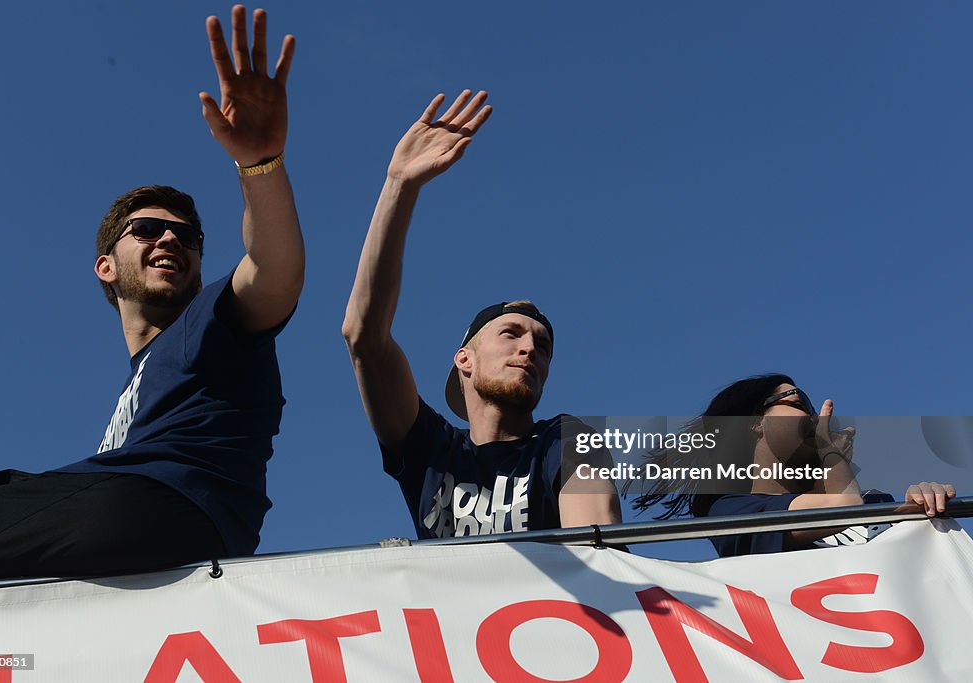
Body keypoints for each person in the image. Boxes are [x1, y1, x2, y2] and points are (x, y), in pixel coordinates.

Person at [0, 5, 303, 581]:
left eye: (187, 235)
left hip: (167, 507)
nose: (170, 238)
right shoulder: (137, 385)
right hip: (118, 516)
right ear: (105, 266)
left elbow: (275, 270)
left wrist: (259, 165)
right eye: (146, 230)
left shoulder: (211, 325)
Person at [342, 91, 620, 539]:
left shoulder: (565, 440)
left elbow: (598, 547)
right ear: (464, 359)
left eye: (542, 345)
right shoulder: (433, 449)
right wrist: (400, 185)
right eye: (511, 334)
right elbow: (363, 335)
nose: (530, 348)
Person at [630, 374, 955, 557]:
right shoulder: (731, 512)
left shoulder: (875, 502)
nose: (815, 417)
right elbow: (843, 506)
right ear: (754, 423)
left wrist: (922, 508)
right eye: (800, 403)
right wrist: (831, 453)